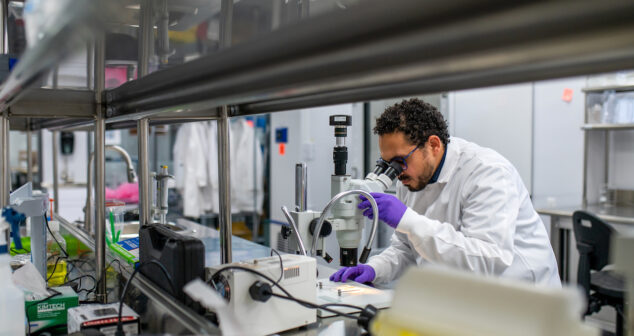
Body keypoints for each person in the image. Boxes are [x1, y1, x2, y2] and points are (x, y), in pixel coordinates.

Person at [330, 98, 561, 287]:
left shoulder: (487, 173)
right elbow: (406, 250)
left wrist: (408, 220)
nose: (396, 172)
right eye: (387, 163)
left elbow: (486, 261)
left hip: (522, 303)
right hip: (466, 299)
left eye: (400, 161)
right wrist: (374, 268)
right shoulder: (410, 178)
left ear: (433, 145)